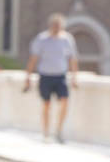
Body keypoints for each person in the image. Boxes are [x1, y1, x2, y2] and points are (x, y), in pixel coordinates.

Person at [23, 13, 79, 143]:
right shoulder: (41, 39)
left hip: (61, 76)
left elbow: (72, 59)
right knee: (46, 104)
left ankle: (59, 130)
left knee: (65, 101)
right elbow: (33, 59)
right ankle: (46, 132)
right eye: (55, 26)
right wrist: (28, 76)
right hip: (45, 75)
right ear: (50, 26)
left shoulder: (67, 39)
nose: (56, 28)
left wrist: (75, 77)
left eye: (59, 26)